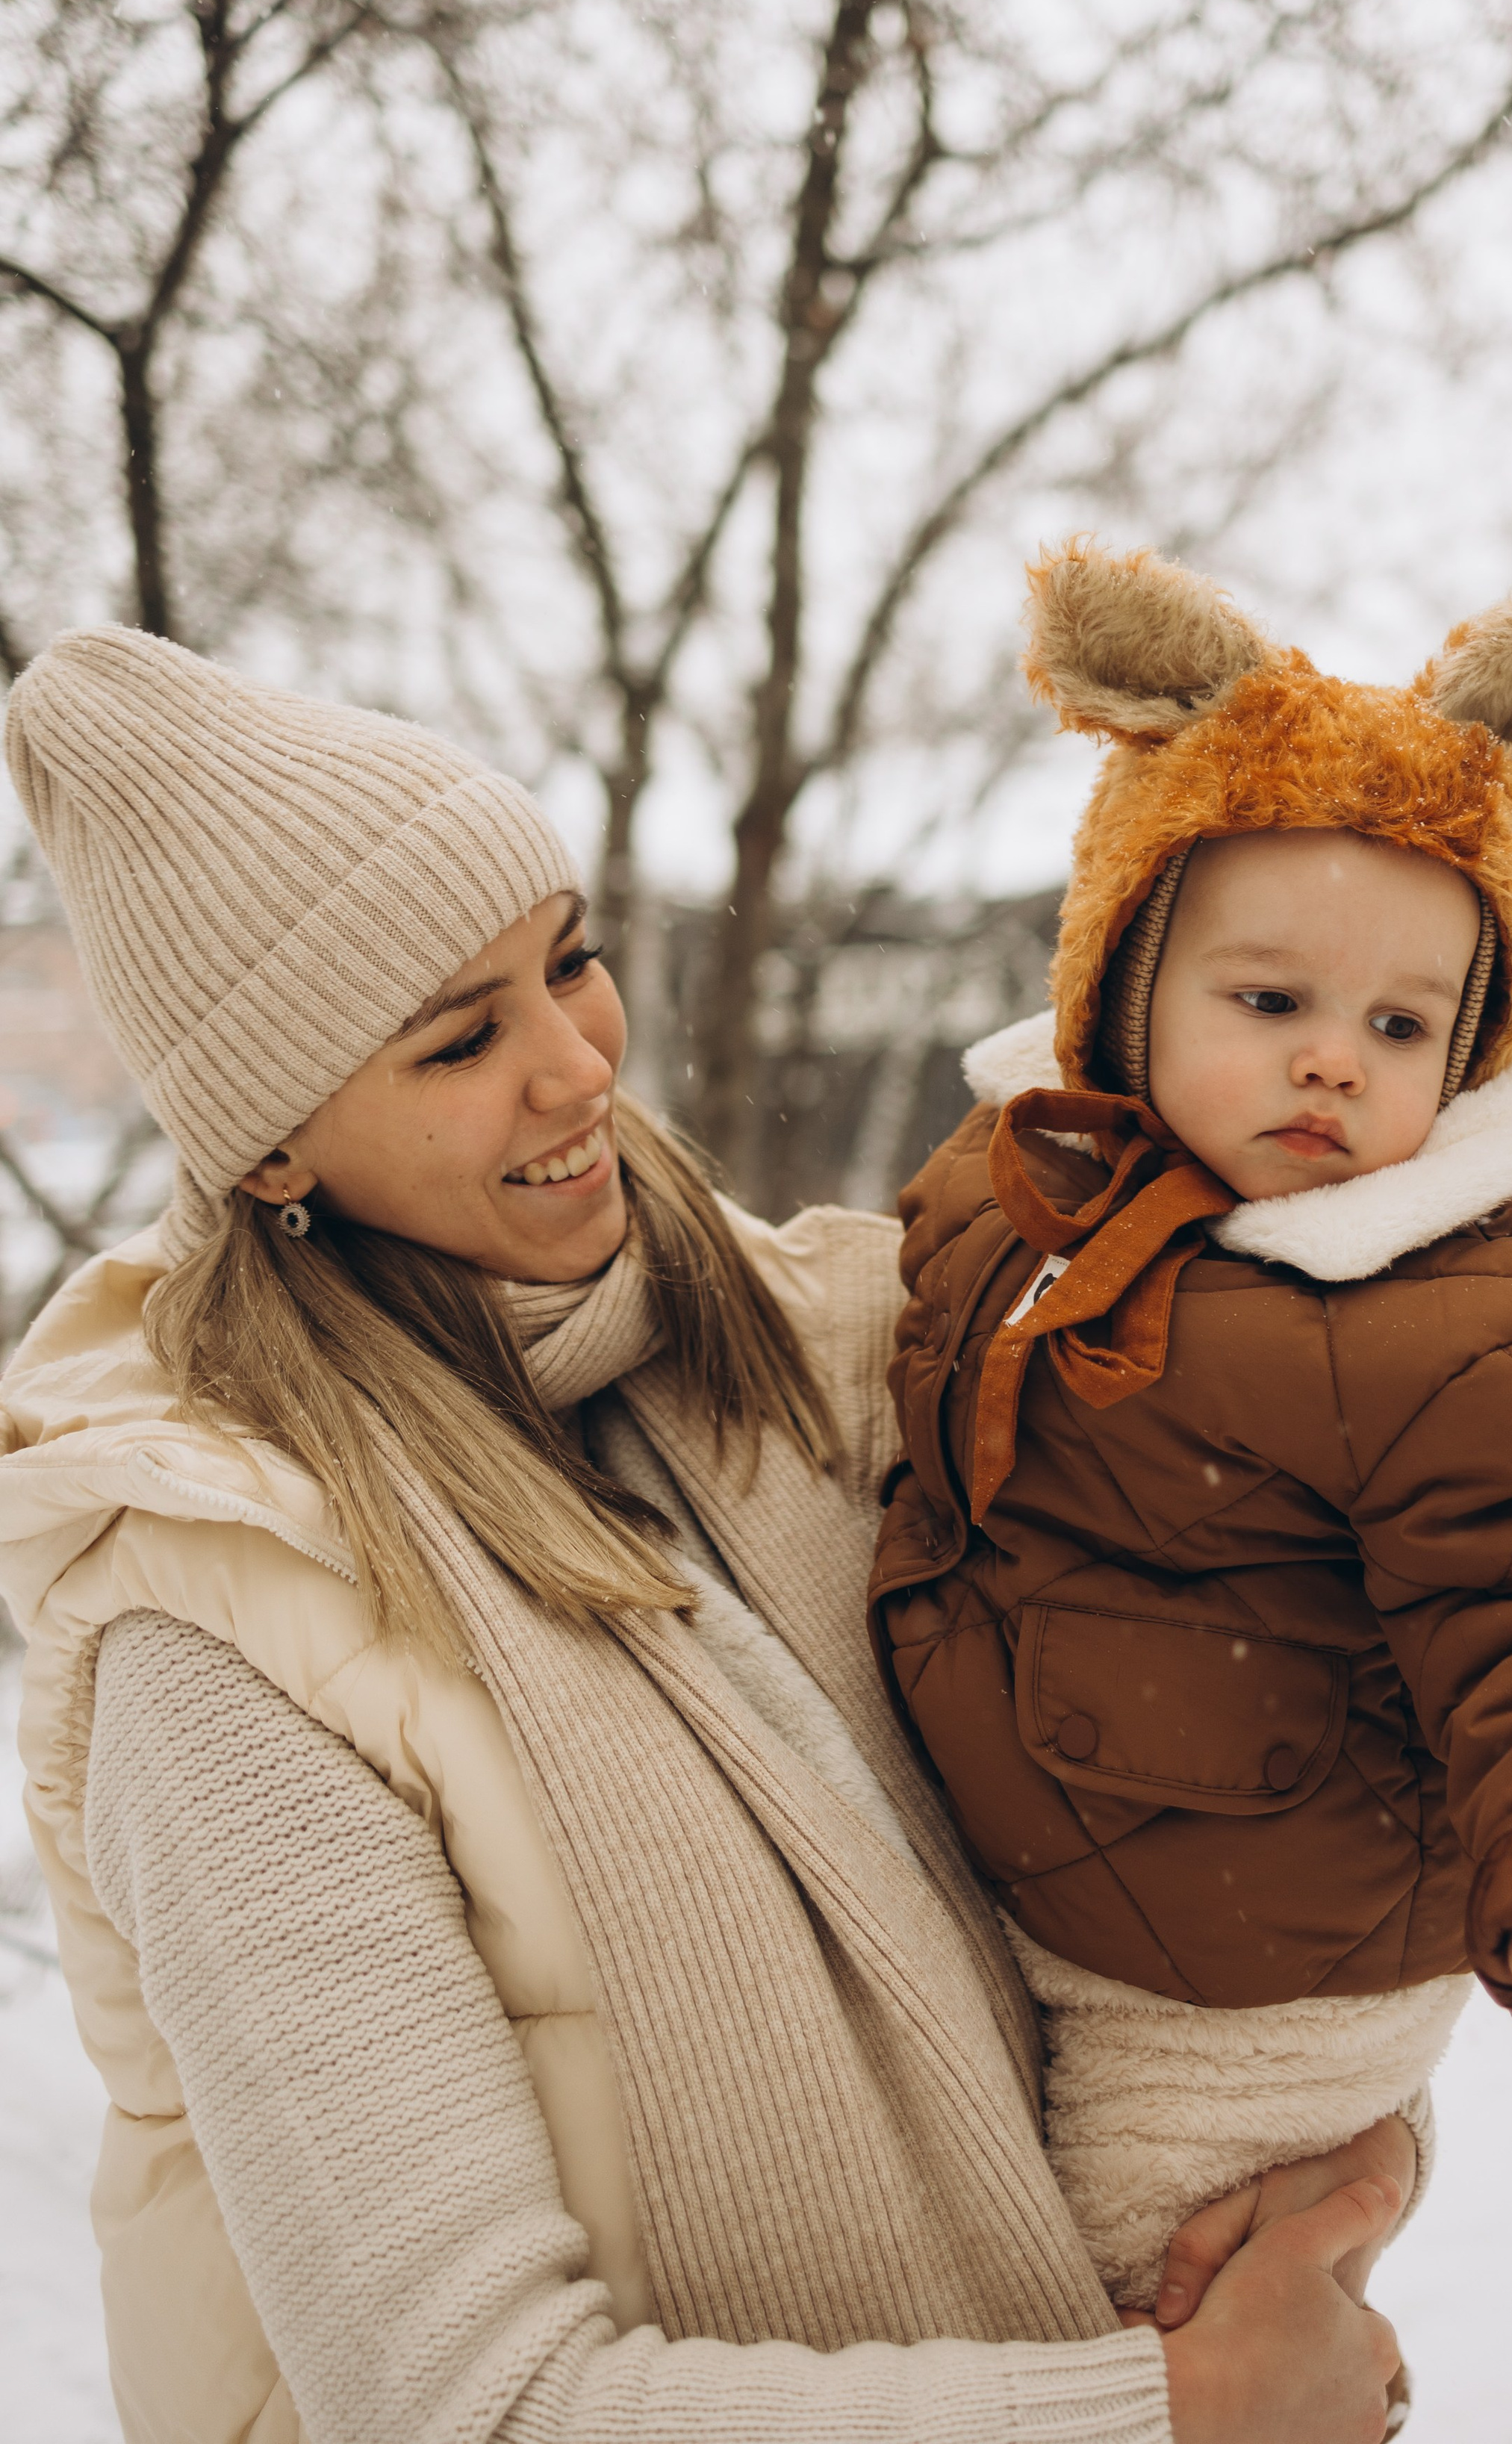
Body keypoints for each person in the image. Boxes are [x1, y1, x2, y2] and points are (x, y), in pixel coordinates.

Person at [0, 622, 1410, 2444]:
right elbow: (466, 2404)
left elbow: (1164, 1830)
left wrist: (1294, 2178)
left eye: (566, 964)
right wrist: (1157, 2412)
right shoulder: (222, 1637)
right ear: (272, 1152)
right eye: (457, 1041)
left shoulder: (830, 1350)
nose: (578, 1068)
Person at [873, 540, 1512, 2323]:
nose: (1334, 1060)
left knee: (1152, 2328)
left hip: (1246, 1977)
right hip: (1026, 1889)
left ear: (1471, 1045)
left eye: (1398, 1023)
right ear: (1124, 991)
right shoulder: (1009, 1188)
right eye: (1268, 1004)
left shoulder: (1482, 1308)